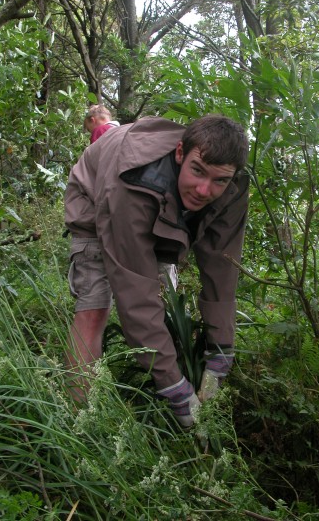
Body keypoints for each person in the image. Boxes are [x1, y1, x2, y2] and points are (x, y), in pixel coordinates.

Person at [64, 114, 249, 427]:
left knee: (167, 303)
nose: (204, 190)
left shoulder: (232, 186)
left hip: (165, 210)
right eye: (198, 171)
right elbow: (134, 290)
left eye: (219, 180)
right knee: (95, 311)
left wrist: (221, 349)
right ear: (180, 154)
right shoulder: (131, 186)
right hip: (98, 199)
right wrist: (173, 386)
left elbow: (222, 267)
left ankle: (169, 380)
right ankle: (80, 422)